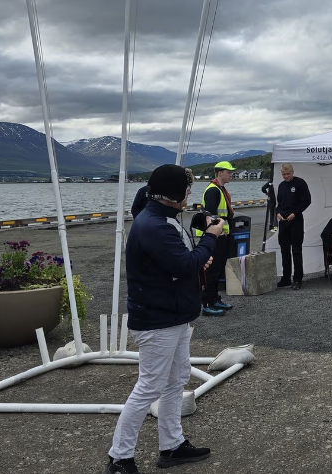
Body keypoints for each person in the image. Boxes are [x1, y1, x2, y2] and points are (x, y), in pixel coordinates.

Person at [106, 164, 223, 474]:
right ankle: (119, 458)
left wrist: (196, 254)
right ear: (173, 195)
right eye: (186, 191)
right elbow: (184, 265)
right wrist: (210, 239)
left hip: (172, 316)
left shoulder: (159, 216)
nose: (189, 195)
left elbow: (180, 260)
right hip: (158, 321)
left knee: (176, 381)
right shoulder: (155, 226)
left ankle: (172, 446)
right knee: (148, 387)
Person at [198, 161, 236, 316]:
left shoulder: (220, 189)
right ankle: (207, 303)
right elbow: (210, 214)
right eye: (228, 172)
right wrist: (217, 232)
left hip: (220, 235)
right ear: (220, 173)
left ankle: (214, 299)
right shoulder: (213, 190)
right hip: (214, 237)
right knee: (211, 271)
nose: (231, 175)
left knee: (218, 269)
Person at [275, 163, 312, 290]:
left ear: (292, 172)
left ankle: (297, 279)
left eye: (288, 174)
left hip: (295, 220)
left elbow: (306, 201)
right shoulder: (281, 186)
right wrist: (278, 213)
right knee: (284, 250)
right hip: (283, 221)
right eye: (283, 174)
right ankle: (286, 278)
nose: (286, 176)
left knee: (296, 250)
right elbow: (279, 203)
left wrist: (295, 214)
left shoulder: (300, 183)